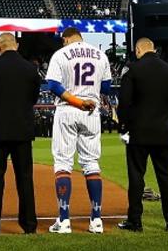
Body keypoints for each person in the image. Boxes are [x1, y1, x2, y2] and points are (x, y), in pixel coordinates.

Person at [44, 27, 112, 234]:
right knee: (91, 164)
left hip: (68, 109)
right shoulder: (100, 55)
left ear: (66, 39)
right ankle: (96, 220)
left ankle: (64, 221)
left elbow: (53, 86)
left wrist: (76, 100)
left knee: (63, 163)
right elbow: (107, 87)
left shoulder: (61, 54)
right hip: (91, 112)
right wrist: (87, 98)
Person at [0, 33, 42, 235]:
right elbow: (33, 97)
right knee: (25, 179)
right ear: (16, 45)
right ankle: (29, 225)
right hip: (22, 131)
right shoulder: (31, 69)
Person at [116, 38, 168, 232]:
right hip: (163, 132)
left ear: (138, 50)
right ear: (153, 49)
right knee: (166, 178)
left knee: (137, 177)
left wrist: (123, 125)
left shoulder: (133, 70)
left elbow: (125, 104)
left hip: (138, 133)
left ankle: (135, 221)